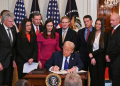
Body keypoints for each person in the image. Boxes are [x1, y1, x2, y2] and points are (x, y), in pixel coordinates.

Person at [87, 18, 108, 86]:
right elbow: (89, 46)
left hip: (101, 59)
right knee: (93, 77)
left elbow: (103, 48)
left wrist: (92, 54)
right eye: (96, 23)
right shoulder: (91, 33)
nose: (97, 25)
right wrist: (91, 57)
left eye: (99, 24)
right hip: (91, 59)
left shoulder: (105, 35)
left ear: (102, 25)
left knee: (100, 78)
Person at [0, 12, 17, 86]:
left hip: (10, 62)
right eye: (10, 21)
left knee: (8, 82)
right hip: (1, 62)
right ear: (4, 21)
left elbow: (13, 46)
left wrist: (13, 59)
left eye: (13, 21)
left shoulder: (13, 29)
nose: (12, 23)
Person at [106, 13, 120, 86]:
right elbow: (109, 45)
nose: (111, 22)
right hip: (111, 63)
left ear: (118, 20)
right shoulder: (112, 30)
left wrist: (110, 57)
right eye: (110, 20)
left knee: (116, 81)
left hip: (117, 62)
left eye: (113, 20)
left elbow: (118, 47)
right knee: (112, 81)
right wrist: (106, 55)